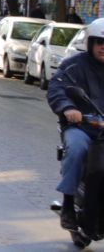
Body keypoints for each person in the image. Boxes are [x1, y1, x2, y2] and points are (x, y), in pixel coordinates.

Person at [47, 17, 104, 231]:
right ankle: (68, 204)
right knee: (77, 149)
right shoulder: (74, 65)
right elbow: (57, 88)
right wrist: (68, 108)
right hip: (83, 127)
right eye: (100, 42)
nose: (103, 47)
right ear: (90, 43)